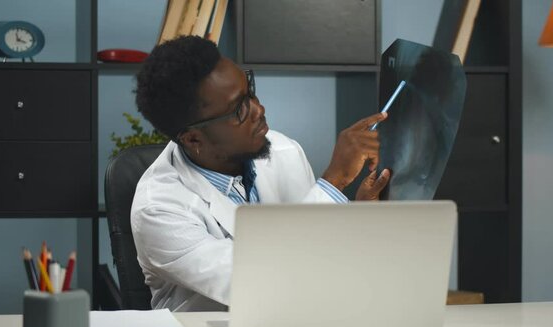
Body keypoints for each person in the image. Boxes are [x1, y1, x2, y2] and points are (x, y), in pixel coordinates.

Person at [131, 35, 391, 311]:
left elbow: (318, 258)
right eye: (239, 109)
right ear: (194, 139)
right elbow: (262, 283)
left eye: (250, 91)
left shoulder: (283, 150)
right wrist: (334, 181)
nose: (259, 110)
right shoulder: (157, 209)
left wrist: (360, 216)